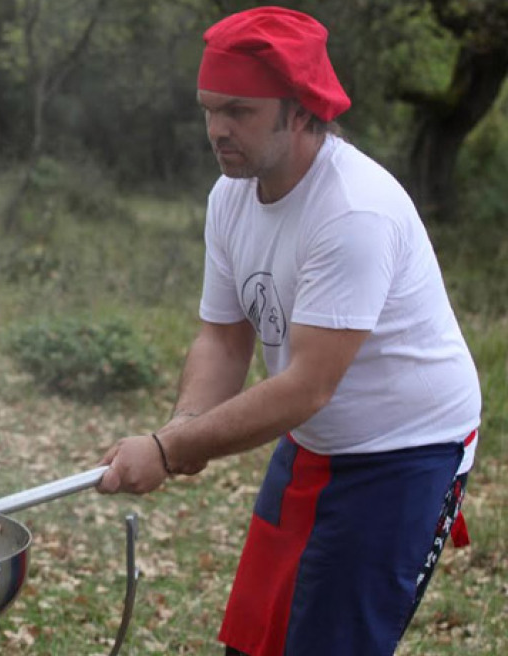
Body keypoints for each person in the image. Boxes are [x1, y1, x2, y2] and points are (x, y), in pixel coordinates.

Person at [96, 6, 481, 656]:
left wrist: (165, 449)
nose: (217, 129)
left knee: (330, 644)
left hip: (407, 453)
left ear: (300, 110)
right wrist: (184, 428)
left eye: (239, 111)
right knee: (253, 641)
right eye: (209, 108)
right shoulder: (230, 196)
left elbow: (306, 385)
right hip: (312, 443)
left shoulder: (353, 210)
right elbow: (223, 338)